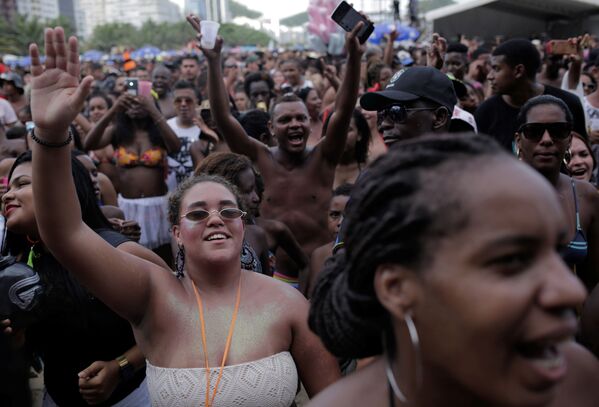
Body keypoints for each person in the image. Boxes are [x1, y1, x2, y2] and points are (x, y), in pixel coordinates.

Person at [26, 26, 340, 406]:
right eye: (197, 212)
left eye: (228, 210)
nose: (215, 218)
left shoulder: (287, 303)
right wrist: (50, 131)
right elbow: (65, 233)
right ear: (176, 232)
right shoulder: (152, 295)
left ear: (243, 225)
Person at [308, 134, 599, 407]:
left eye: (556, 252)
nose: (571, 291)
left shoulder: (577, 380)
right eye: (512, 261)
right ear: (397, 288)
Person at [191, 14, 366, 287]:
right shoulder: (258, 157)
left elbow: (344, 109)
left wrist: (354, 56)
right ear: (271, 128)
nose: (294, 124)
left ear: (311, 124)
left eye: (300, 118)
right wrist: (214, 62)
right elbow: (223, 117)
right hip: (275, 278)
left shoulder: (324, 156)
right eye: (285, 120)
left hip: (323, 271)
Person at [1, 151, 167, 407]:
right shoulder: (22, 265)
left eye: (22, 184)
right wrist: (18, 340)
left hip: (134, 398)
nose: (7, 195)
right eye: (7, 187)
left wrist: (121, 366)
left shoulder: (117, 252)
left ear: (61, 186)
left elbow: (179, 318)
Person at [83, 83, 181, 258]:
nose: (135, 107)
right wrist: (114, 109)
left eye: (140, 102)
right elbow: (89, 143)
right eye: (130, 103)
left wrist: (152, 109)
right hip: (129, 206)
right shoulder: (117, 132)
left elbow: (175, 146)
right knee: (132, 256)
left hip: (158, 205)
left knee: (165, 256)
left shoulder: (158, 131)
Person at [515, 95, 599, 290]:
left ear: (569, 140)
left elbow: (593, 285)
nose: (546, 140)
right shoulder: (496, 195)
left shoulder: (587, 196)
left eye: (557, 131)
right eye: (534, 132)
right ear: (518, 140)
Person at [475, 38, 587, 151]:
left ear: (518, 71)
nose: (489, 76)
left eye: (496, 68)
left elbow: (581, 152)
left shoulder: (568, 104)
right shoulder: (486, 112)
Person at [195, 152, 271, 274]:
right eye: (247, 191)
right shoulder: (188, 237)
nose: (256, 198)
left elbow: (269, 286)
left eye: (254, 189)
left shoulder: (257, 236)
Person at [306, 183, 352, 298]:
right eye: (335, 215)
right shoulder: (319, 255)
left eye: (349, 215)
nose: (341, 223)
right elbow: (314, 298)